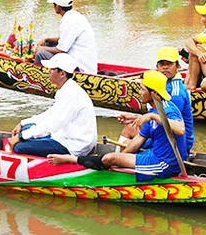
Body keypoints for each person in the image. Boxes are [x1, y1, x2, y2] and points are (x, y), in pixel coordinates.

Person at [48, 70, 186, 182]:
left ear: (154, 93)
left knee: (109, 158)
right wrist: (120, 159)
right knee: (113, 157)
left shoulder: (168, 109)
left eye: (142, 89)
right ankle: (108, 163)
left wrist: (153, 116)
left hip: (164, 164)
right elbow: (138, 140)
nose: (139, 92)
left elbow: (180, 129)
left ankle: (69, 159)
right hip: (153, 155)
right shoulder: (153, 110)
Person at [8, 53, 97, 157]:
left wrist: (21, 137)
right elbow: (50, 114)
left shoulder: (71, 95)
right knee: (26, 128)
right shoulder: (66, 89)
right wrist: (22, 123)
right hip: (62, 135)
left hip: (74, 145)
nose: (48, 72)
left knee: (19, 147)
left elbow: (52, 124)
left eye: (51, 69)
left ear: (62, 73)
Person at [118, 47, 195, 154]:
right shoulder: (163, 84)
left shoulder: (176, 93)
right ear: (157, 67)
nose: (165, 68)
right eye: (161, 64)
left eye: (169, 64)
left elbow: (171, 122)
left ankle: (120, 160)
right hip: (166, 132)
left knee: (130, 134)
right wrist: (136, 118)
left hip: (177, 142)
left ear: (178, 66)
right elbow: (159, 115)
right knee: (131, 126)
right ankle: (122, 158)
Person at [35, 0, 98, 74]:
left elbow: (61, 50)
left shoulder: (68, 21)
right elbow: (65, 39)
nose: (53, 7)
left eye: (54, 5)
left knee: (40, 53)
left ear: (57, 7)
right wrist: (47, 39)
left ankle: (37, 77)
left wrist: (41, 48)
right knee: (48, 44)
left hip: (80, 66)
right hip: (80, 59)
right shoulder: (75, 16)